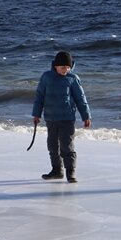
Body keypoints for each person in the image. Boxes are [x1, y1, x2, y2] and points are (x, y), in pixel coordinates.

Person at [32, 51, 91, 183]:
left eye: (68, 67)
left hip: (67, 119)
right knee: (52, 146)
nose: (66, 70)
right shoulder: (46, 77)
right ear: (56, 66)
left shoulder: (72, 79)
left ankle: (71, 172)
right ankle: (57, 170)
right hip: (51, 119)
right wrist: (36, 114)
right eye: (63, 67)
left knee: (67, 146)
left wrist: (86, 115)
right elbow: (39, 96)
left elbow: (81, 99)